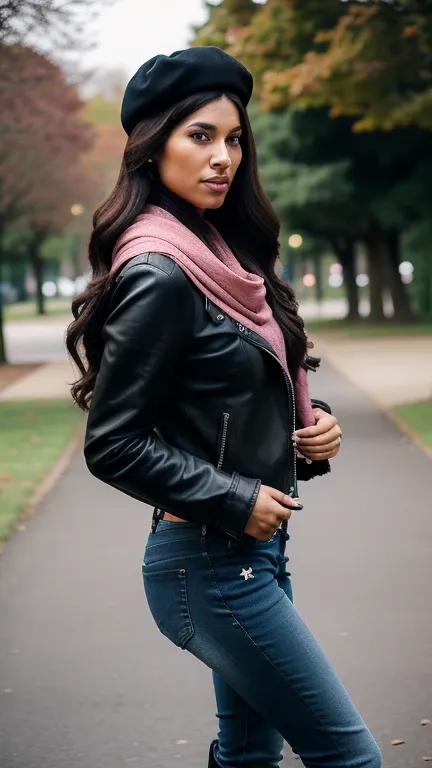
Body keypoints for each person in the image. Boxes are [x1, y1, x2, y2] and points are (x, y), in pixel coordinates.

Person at [66, 46, 381, 768]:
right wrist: (236, 498)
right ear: (152, 147)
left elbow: (227, 389)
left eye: (233, 138)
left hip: (253, 553)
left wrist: (314, 424)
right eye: (199, 136)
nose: (223, 158)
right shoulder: (160, 272)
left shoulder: (225, 254)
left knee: (246, 757)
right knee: (352, 758)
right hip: (208, 563)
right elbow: (111, 443)